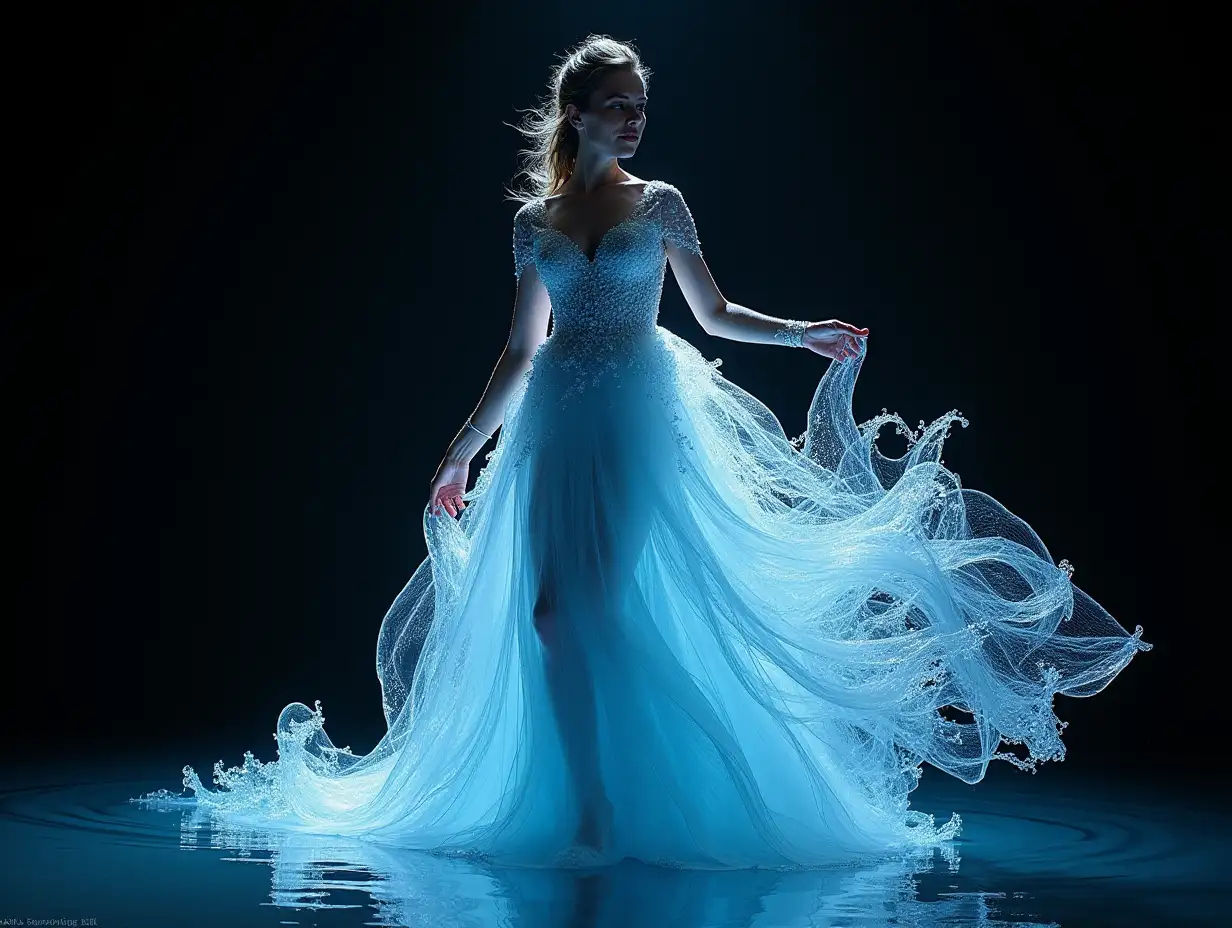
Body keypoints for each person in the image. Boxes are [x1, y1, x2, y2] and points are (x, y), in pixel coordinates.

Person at [178, 35, 1149, 869]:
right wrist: (459, 451)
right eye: (617, 105)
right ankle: (592, 802)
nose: (634, 120)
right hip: (555, 418)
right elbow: (519, 351)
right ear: (575, 112)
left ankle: (653, 793)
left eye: (641, 106)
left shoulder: (661, 204)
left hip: (641, 413)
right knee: (554, 617)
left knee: (593, 606)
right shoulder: (535, 225)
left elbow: (714, 312)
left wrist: (801, 328)